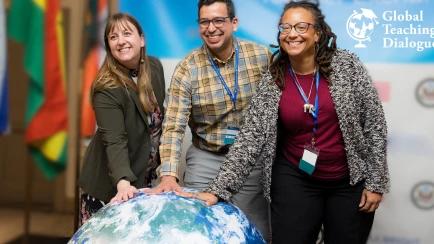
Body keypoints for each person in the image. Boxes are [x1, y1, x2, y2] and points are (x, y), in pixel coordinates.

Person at [179, 1, 390, 244]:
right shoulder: (274, 77)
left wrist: (376, 182)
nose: (292, 34)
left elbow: (374, 125)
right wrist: (218, 190)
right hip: (295, 179)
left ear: (317, 33)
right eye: (285, 27)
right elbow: (251, 137)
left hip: (348, 182)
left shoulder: (347, 66)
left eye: (301, 26)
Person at [148, 0, 271, 238]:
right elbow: (173, 125)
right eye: (204, 22)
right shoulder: (187, 67)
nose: (211, 28)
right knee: (199, 230)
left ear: (234, 23)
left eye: (218, 20)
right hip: (206, 156)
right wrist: (169, 175)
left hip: (251, 162)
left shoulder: (261, 57)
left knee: (253, 232)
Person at [78, 13, 166, 225]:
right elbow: (114, 140)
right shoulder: (106, 87)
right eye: (113, 37)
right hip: (110, 186)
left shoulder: (155, 67)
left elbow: (157, 123)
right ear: (109, 46)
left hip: (144, 178)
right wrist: (123, 183)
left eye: (127, 33)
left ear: (142, 39)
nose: (121, 41)